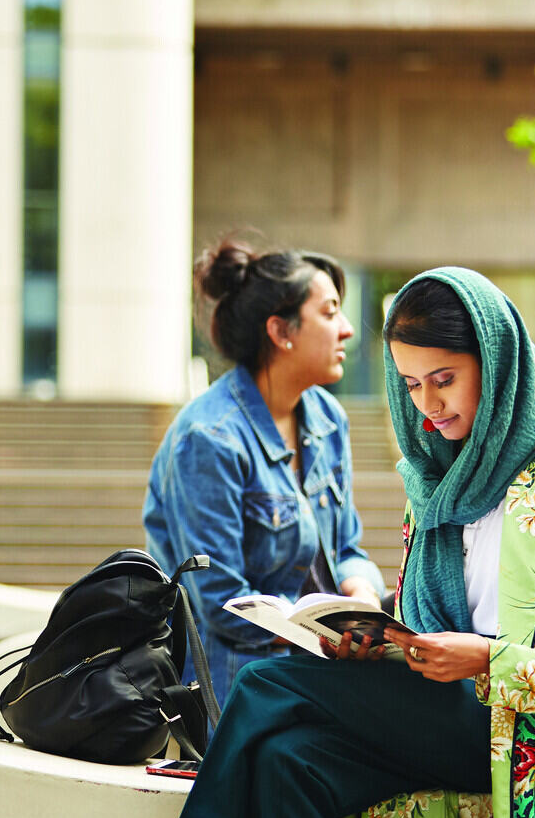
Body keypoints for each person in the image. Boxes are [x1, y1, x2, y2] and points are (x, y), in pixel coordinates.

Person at [166, 268, 535, 818]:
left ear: (495, 362)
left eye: (444, 380)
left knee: (261, 689)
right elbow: (431, 618)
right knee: (284, 763)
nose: (427, 406)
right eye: (412, 385)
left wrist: (484, 660)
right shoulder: (436, 477)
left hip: (522, 738)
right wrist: (376, 637)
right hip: (442, 713)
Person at [143, 240, 384, 706]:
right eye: (330, 312)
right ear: (281, 331)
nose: (348, 330)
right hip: (239, 689)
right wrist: (317, 633)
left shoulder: (329, 419)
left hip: (319, 674)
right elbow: (219, 601)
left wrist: (363, 599)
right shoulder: (209, 437)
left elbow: (348, 548)